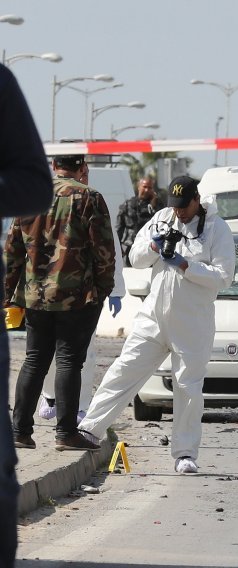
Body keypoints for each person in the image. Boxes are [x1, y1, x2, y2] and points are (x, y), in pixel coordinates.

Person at [78, 176, 235, 474]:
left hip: (192, 322)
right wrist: (154, 245)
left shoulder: (217, 228)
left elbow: (223, 276)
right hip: (154, 316)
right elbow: (135, 258)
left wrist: (185, 264)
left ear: (197, 199)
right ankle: (90, 429)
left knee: (188, 387)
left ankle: (185, 454)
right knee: (124, 369)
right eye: (174, 206)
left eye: (184, 206)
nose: (179, 213)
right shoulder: (163, 217)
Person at [6, 151, 116, 454]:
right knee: (69, 361)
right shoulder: (89, 198)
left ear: (54, 167)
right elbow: (103, 249)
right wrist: (104, 288)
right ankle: (66, 433)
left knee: (34, 360)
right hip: (76, 296)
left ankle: (20, 431)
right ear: (82, 167)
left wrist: (7, 293)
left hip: (35, 296)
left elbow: (12, 249)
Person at [0, 62, 53, 568]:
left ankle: (27, 427)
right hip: (54, 297)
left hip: (50, 297)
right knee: (50, 362)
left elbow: (32, 188)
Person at [38, 176, 127, 423]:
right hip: (49, 292)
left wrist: (115, 289)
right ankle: (50, 396)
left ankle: (79, 405)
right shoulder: (45, 203)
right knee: (48, 352)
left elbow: (112, 249)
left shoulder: (94, 203)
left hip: (84, 295)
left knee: (84, 354)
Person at [117, 177, 163, 266]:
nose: (147, 190)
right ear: (139, 187)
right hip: (132, 248)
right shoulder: (127, 205)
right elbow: (119, 228)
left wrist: (153, 205)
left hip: (151, 249)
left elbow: (162, 224)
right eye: (144, 187)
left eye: (150, 188)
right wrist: (118, 248)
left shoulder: (158, 205)